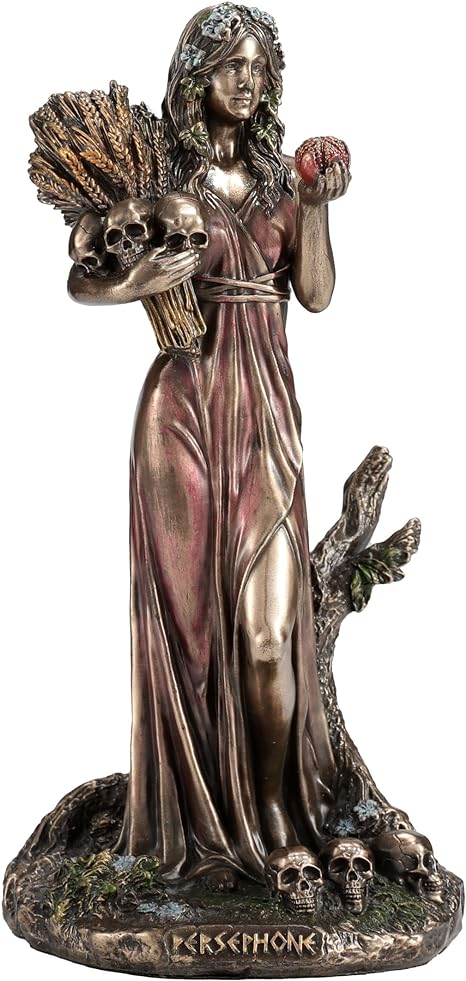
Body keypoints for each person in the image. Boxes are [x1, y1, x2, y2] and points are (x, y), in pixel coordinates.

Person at [68, 3, 350, 889]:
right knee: (192, 639)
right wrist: (141, 276)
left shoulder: (280, 181)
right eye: (231, 64)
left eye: (259, 67)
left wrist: (315, 207)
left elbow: (315, 294)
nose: (247, 80)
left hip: (263, 413)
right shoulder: (159, 175)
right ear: (196, 77)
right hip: (182, 408)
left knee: (268, 633)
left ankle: (274, 811)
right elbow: (84, 274)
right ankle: (200, 823)